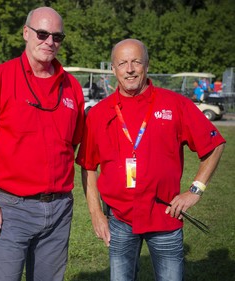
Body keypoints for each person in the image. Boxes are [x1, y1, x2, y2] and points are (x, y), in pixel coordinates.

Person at [76, 39, 225, 281]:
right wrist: (96, 213)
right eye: (122, 63)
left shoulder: (174, 104)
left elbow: (215, 144)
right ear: (113, 69)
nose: (130, 69)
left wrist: (195, 190)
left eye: (136, 61)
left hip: (165, 216)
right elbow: (88, 166)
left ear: (147, 65)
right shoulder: (99, 113)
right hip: (119, 220)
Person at [0, 7, 85, 281]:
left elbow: (72, 144)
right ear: (26, 33)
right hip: (11, 208)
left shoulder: (72, 87)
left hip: (59, 210)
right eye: (42, 33)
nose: (49, 41)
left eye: (57, 36)